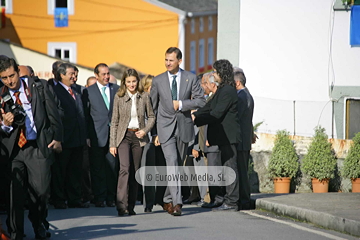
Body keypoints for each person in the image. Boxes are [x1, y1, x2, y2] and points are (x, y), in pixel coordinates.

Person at [0, 57, 63, 239]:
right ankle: (15, 233)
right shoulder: (1, 94)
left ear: (18, 72)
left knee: (42, 191)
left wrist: (58, 138)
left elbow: (54, 114)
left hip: (37, 146)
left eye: (12, 75)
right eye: (4, 78)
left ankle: (38, 223)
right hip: (12, 150)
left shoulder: (38, 87)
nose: (9, 81)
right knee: (14, 195)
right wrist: (4, 123)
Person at [150, 47, 205, 216]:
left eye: (171, 60)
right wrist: (154, 133)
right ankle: (177, 202)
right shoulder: (158, 80)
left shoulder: (190, 78)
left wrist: (181, 104)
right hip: (165, 128)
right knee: (172, 161)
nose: (167, 63)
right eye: (166, 60)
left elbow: (201, 101)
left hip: (183, 127)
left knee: (176, 166)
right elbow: (152, 108)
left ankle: (167, 199)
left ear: (179, 61)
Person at [193, 59, 240, 211]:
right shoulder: (222, 89)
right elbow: (209, 106)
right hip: (222, 136)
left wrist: (197, 119)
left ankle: (232, 202)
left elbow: (217, 113)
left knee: (230, 167)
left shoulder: (228, 91)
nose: (213, 74)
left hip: (229, 136)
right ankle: (223, 199)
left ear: (221, 73)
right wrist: (196, 115)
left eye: (215, 71)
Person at [110, 68, 155, 216]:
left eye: (134, 81)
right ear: (124, 82)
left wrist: (145, 130)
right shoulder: (119, 96)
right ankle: (121, 206)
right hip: (123, 136)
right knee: (124, 168)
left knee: (135, 171)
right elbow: (114, 121)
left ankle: (131, 206)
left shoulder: (144, 96)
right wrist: (112, 144)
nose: (131, 84)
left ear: (138, 81)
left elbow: (152, 117)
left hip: (138, 137)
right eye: (128, 82)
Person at [52, 63, 88, 209]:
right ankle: (59, 199)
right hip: (64, 138)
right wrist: (57, 138)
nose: (74, 76)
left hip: (78, 138)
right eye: (71, 74)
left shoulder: (77, 90)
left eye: (75, 74)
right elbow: (55, 116)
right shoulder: (55, 91)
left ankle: (74, 199)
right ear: (62, 75)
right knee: (61, 171)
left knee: (75, 170)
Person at [83, 63, 119, 207]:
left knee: (112, 167)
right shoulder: (88, 92)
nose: (106, 77)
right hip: (96, 136)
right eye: (103, 74)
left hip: (113, 136)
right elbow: (85, 115)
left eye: (108, 73)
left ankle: (111, 198)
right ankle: (99, 197)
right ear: (96, 76)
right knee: (97, 169)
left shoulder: (116, 89)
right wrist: (87, 136)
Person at [234, 68, 254, 210]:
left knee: (241, 172)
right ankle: (244, 199)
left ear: (238, 82)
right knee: (242, 171)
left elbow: (238, 118)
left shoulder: (241, 96)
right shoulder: (247, 94)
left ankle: (244, 200)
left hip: (241, 141)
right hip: (244, 139)